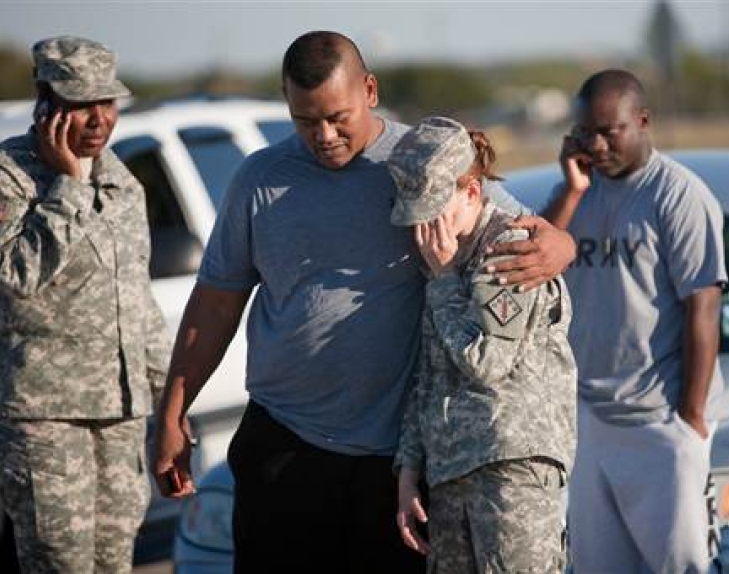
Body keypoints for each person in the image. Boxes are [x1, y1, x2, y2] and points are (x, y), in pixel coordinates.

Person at [152, 30, 576, 574]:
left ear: (369, 91)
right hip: (283, 446)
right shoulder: (259, 180)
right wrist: (172, 411)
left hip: (389, 462)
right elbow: (214, 305)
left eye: (337, 117)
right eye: (304, 120)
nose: (323, 135)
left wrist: (563, 245)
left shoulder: (421, 163)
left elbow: (512, 227)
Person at [0, 36, 171, 573]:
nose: (98, 118)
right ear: (45, 100)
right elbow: (10, 275)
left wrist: (170, 402)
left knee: (114, 564)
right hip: (43, 418)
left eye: (106, 103)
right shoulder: (4, 175)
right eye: (81, 104)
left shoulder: (122, 182)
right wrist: (66, 188)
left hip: (120, 418)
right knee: (61, 564)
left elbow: (136, 300)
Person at [545, 69, 726, 573]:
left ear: (642, 121)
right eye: (585, 132)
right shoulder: (580, 193)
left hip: (659, 423)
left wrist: (689, 422)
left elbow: (703, 306)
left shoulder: (678, 195)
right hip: (589, 421)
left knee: (681, 567)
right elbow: (534, 261)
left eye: (610, 130)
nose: (597, 144)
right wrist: (572, 189)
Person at [390, 116, 576, 574]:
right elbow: (429, 370)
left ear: (471, 191)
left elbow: (487, 360)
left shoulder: (511, 248)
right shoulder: (444, 259)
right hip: (452, 472)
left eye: (436, 210)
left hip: (511, 473)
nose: (423, 228)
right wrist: (410, 466)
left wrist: (446, 282)